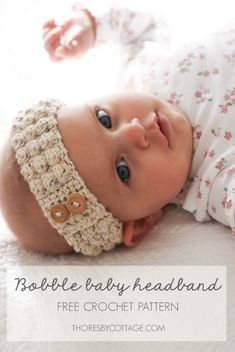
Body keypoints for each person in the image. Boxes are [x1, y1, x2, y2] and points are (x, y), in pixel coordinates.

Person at [0, 3, 234, 256]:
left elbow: (141, 29)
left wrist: (89, 27)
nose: (134, 131)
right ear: (142, 223)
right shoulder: (217, 181)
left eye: (104, 119)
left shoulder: (141, 76)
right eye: (123, 170)